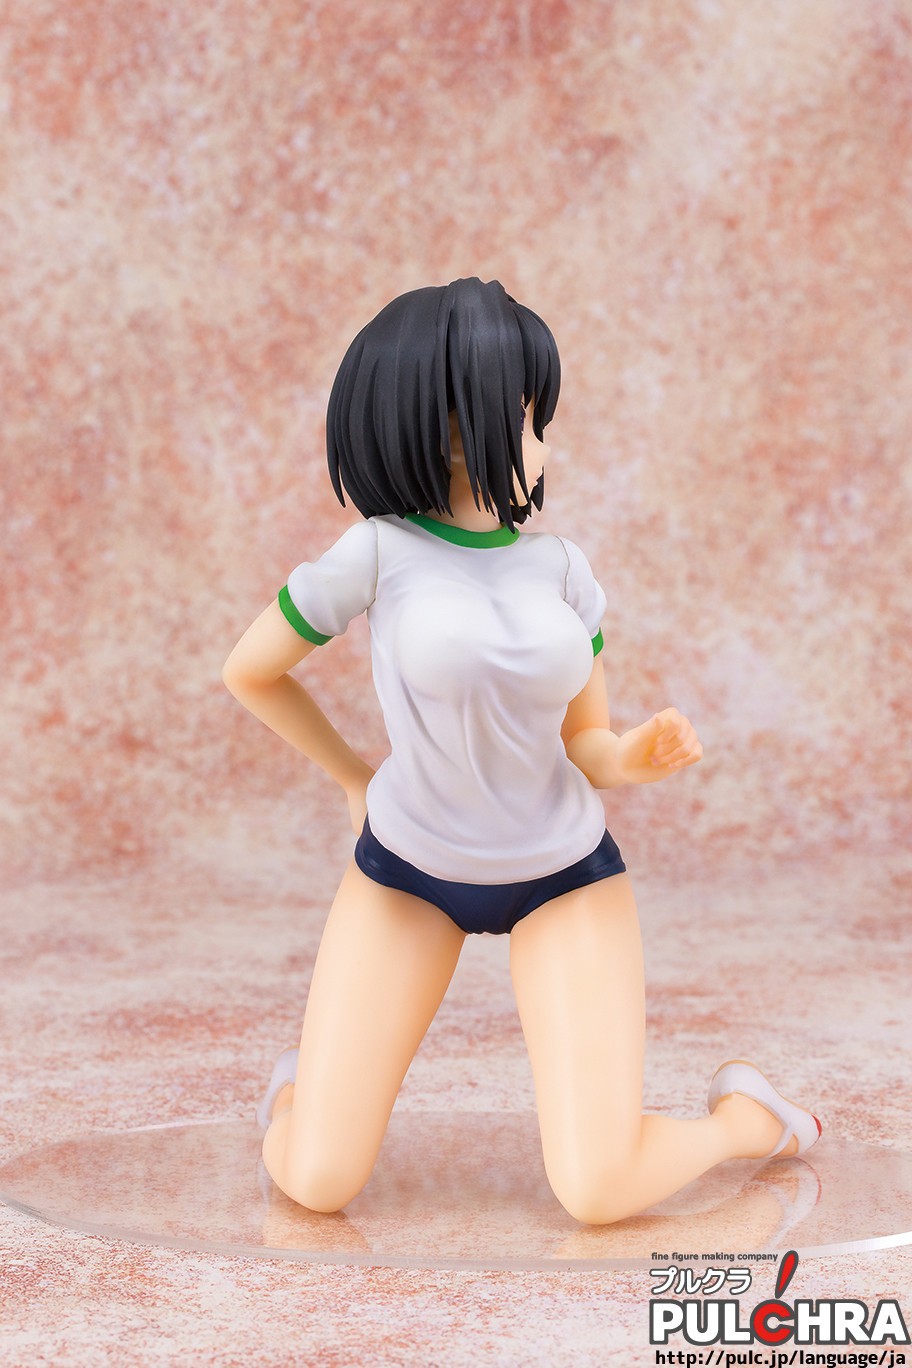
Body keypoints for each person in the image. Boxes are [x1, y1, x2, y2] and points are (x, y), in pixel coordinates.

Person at [222, 278, 821, 1225]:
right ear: (454, 423)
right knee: (316, 1180)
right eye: (529, 414)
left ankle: (746, 1122)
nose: (541, 438)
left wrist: (634, 755)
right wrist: (352, 777)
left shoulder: (562, 568)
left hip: (562, 871)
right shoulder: (376, 553)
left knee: (597, 1190)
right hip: (408, 869)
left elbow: (587, 742)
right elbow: (251, 671)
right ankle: (304, 1099)